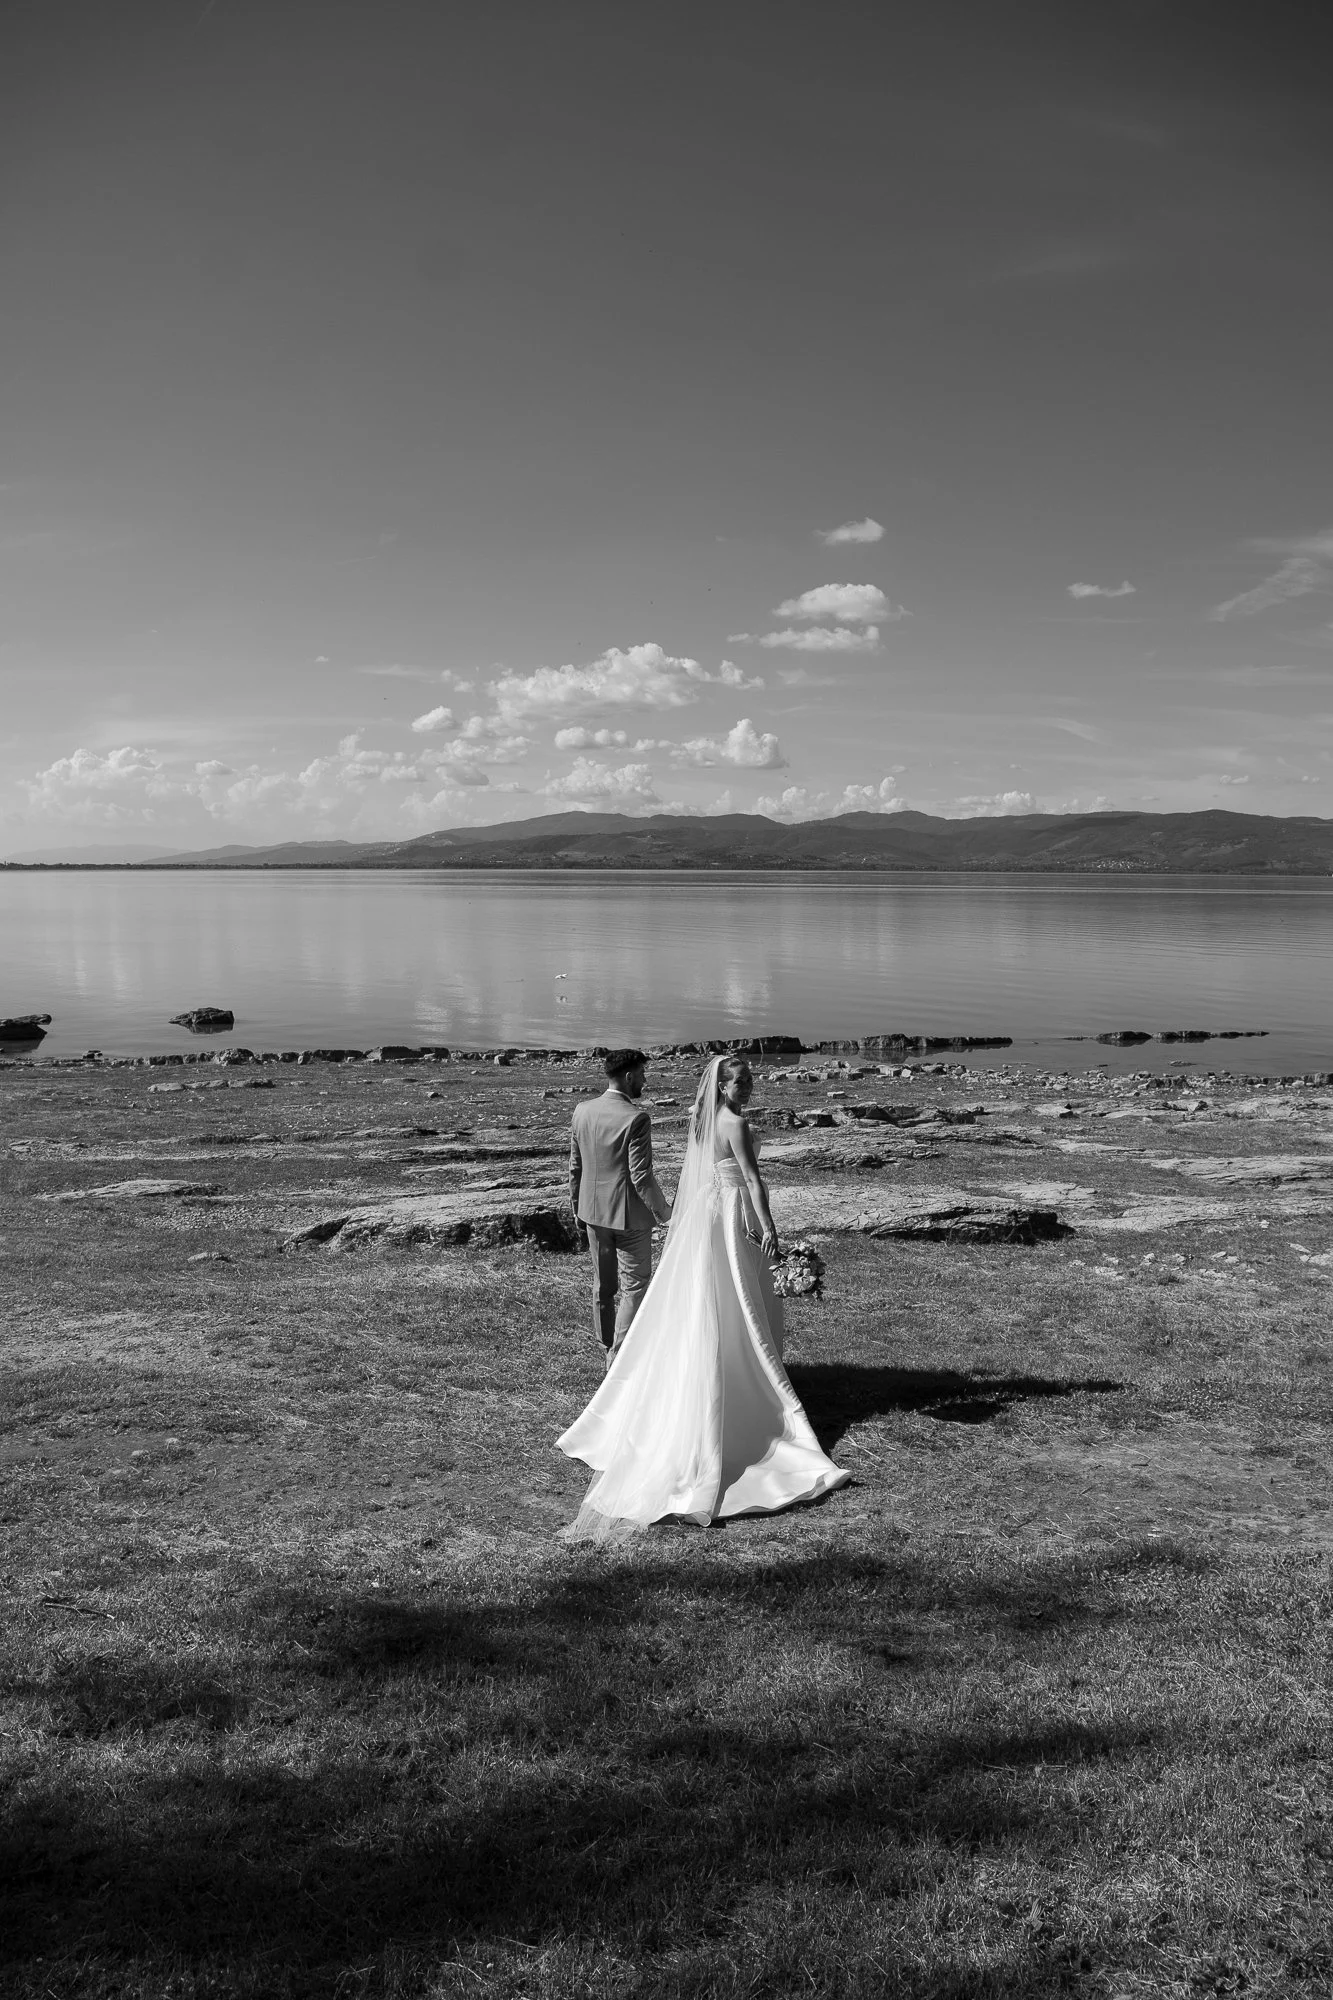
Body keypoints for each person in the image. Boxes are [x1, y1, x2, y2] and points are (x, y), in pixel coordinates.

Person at [558, 1053, 850, 1540]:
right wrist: (770, 1227)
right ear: (722, 1086)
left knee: (701, 1296)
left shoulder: (702, 1120)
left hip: (703, 1213)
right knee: (734, 1297)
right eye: (739, 1082)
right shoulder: (733, 1123)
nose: (747, 1088)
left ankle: (654, 1357)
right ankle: (742, 1382)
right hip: (730, 1213)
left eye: (750, 1080)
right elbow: (752, 1181)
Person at [568, 1047, 672, 1369]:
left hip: (592, 1214)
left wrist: (577, 1208)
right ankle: (618, 1357)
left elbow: (575, 1166)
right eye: (642, 1074)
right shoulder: (637, 1118)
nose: (644, 1079)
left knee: (603, 1285)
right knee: (636, 1286)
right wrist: (666, 1213)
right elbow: (641, 1176)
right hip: (629, 1218)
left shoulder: (582, 1110)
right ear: (628, 1077)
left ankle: (606, 1346)